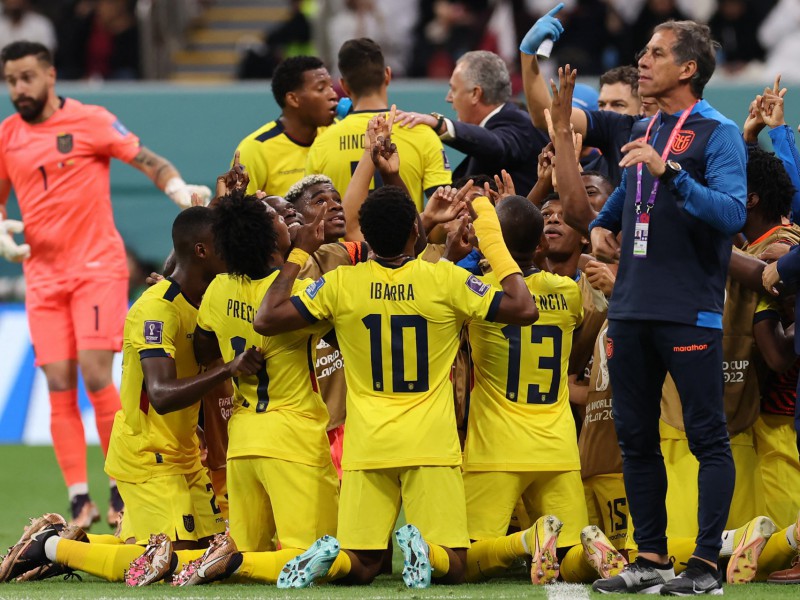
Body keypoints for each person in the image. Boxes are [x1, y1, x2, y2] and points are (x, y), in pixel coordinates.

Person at [255, 185, 538, 589]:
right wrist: (490, 231)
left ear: (365, 235)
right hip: (430, 443)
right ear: (414, 231)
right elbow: (523, 308)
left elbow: (267, 317)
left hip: (367, 443)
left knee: (364, 564)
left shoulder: (340, 285)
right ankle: (427, 552)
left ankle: (331, 560)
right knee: (455, 565)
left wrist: (299, 252)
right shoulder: (445, 279)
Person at [0, 40, 211, 528]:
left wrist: (179, 190)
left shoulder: (91, 120)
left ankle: (119, 487)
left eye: (27, 77)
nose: (18, 89)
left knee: (96, 375)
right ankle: (80, 499)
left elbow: (147, 160)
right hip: (43, 274)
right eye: (11, 80)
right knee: (56, 380)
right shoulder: (8, 135)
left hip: (96, 267)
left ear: (50, 75)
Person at [0, 207, 263, 586]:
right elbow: (159, 395)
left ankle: (68, 542)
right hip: (147, 457)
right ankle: (52, 548)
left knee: (212, 550)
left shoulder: (203, 300)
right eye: (227, 244)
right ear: (203, 251)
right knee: (179, 562)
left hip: (183, 452)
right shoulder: (154, 311)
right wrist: (229, 368)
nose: (235, 250)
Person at [589, 20, 747, 595]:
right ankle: (650, 559)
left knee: (707, 437)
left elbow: (731, 215)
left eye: (656, 54)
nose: (643, 61)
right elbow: (629, 203)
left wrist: (670, 172)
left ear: (688, 69)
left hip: (689, 310)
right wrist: (601, 229)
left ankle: (706, 565)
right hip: (630, 307)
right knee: (635, 438)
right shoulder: (644, 126)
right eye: (643, 51)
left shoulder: (719, 134)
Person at [169, 193, 339, 586]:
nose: (284, 219)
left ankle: (216, 562)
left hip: (243, 443)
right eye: (276, 218)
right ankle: (209, 563)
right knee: (313, 560)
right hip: (293, 438)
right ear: (267, 238)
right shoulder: (302, 290)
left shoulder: (219, 290)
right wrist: (303, 254)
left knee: (251, 568)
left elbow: (204, 348)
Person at [306, 38, 451, 212]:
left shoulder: (322, 143)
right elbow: (443, 214)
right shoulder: (422, 134)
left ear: (343, 85)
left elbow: (312, 214)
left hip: (345, 240)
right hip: (406, 239)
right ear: (388, 75)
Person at [394, 50, 548, 196]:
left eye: (453, 90)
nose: (448, 98)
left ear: (475, 94)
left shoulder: (518, 122)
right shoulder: (504, 123)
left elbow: (496, 145)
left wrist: (440, 124)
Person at [235, 55, 338, 197]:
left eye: (331, 87)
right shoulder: (256, 148)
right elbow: (236, 213)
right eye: (321, 89)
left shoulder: (337, 134)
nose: (333, 95)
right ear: (293, 99)